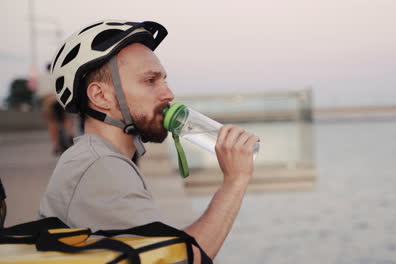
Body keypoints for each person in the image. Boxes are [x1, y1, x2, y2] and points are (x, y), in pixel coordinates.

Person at [38, 20, 259, 262]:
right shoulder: (100, 167)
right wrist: (235, 181)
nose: (168, 94)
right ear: (100, 96)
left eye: (163, 79)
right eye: (150, 81)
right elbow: (181, 259)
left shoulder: (100, 158)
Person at [36, 63, 74, 155]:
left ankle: (56, 145)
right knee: (66, 118)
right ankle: (69, 133)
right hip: (60, 100)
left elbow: (39, 93)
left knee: (51, 122)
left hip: (48, 101)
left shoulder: (41, 78)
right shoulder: (60, 76)